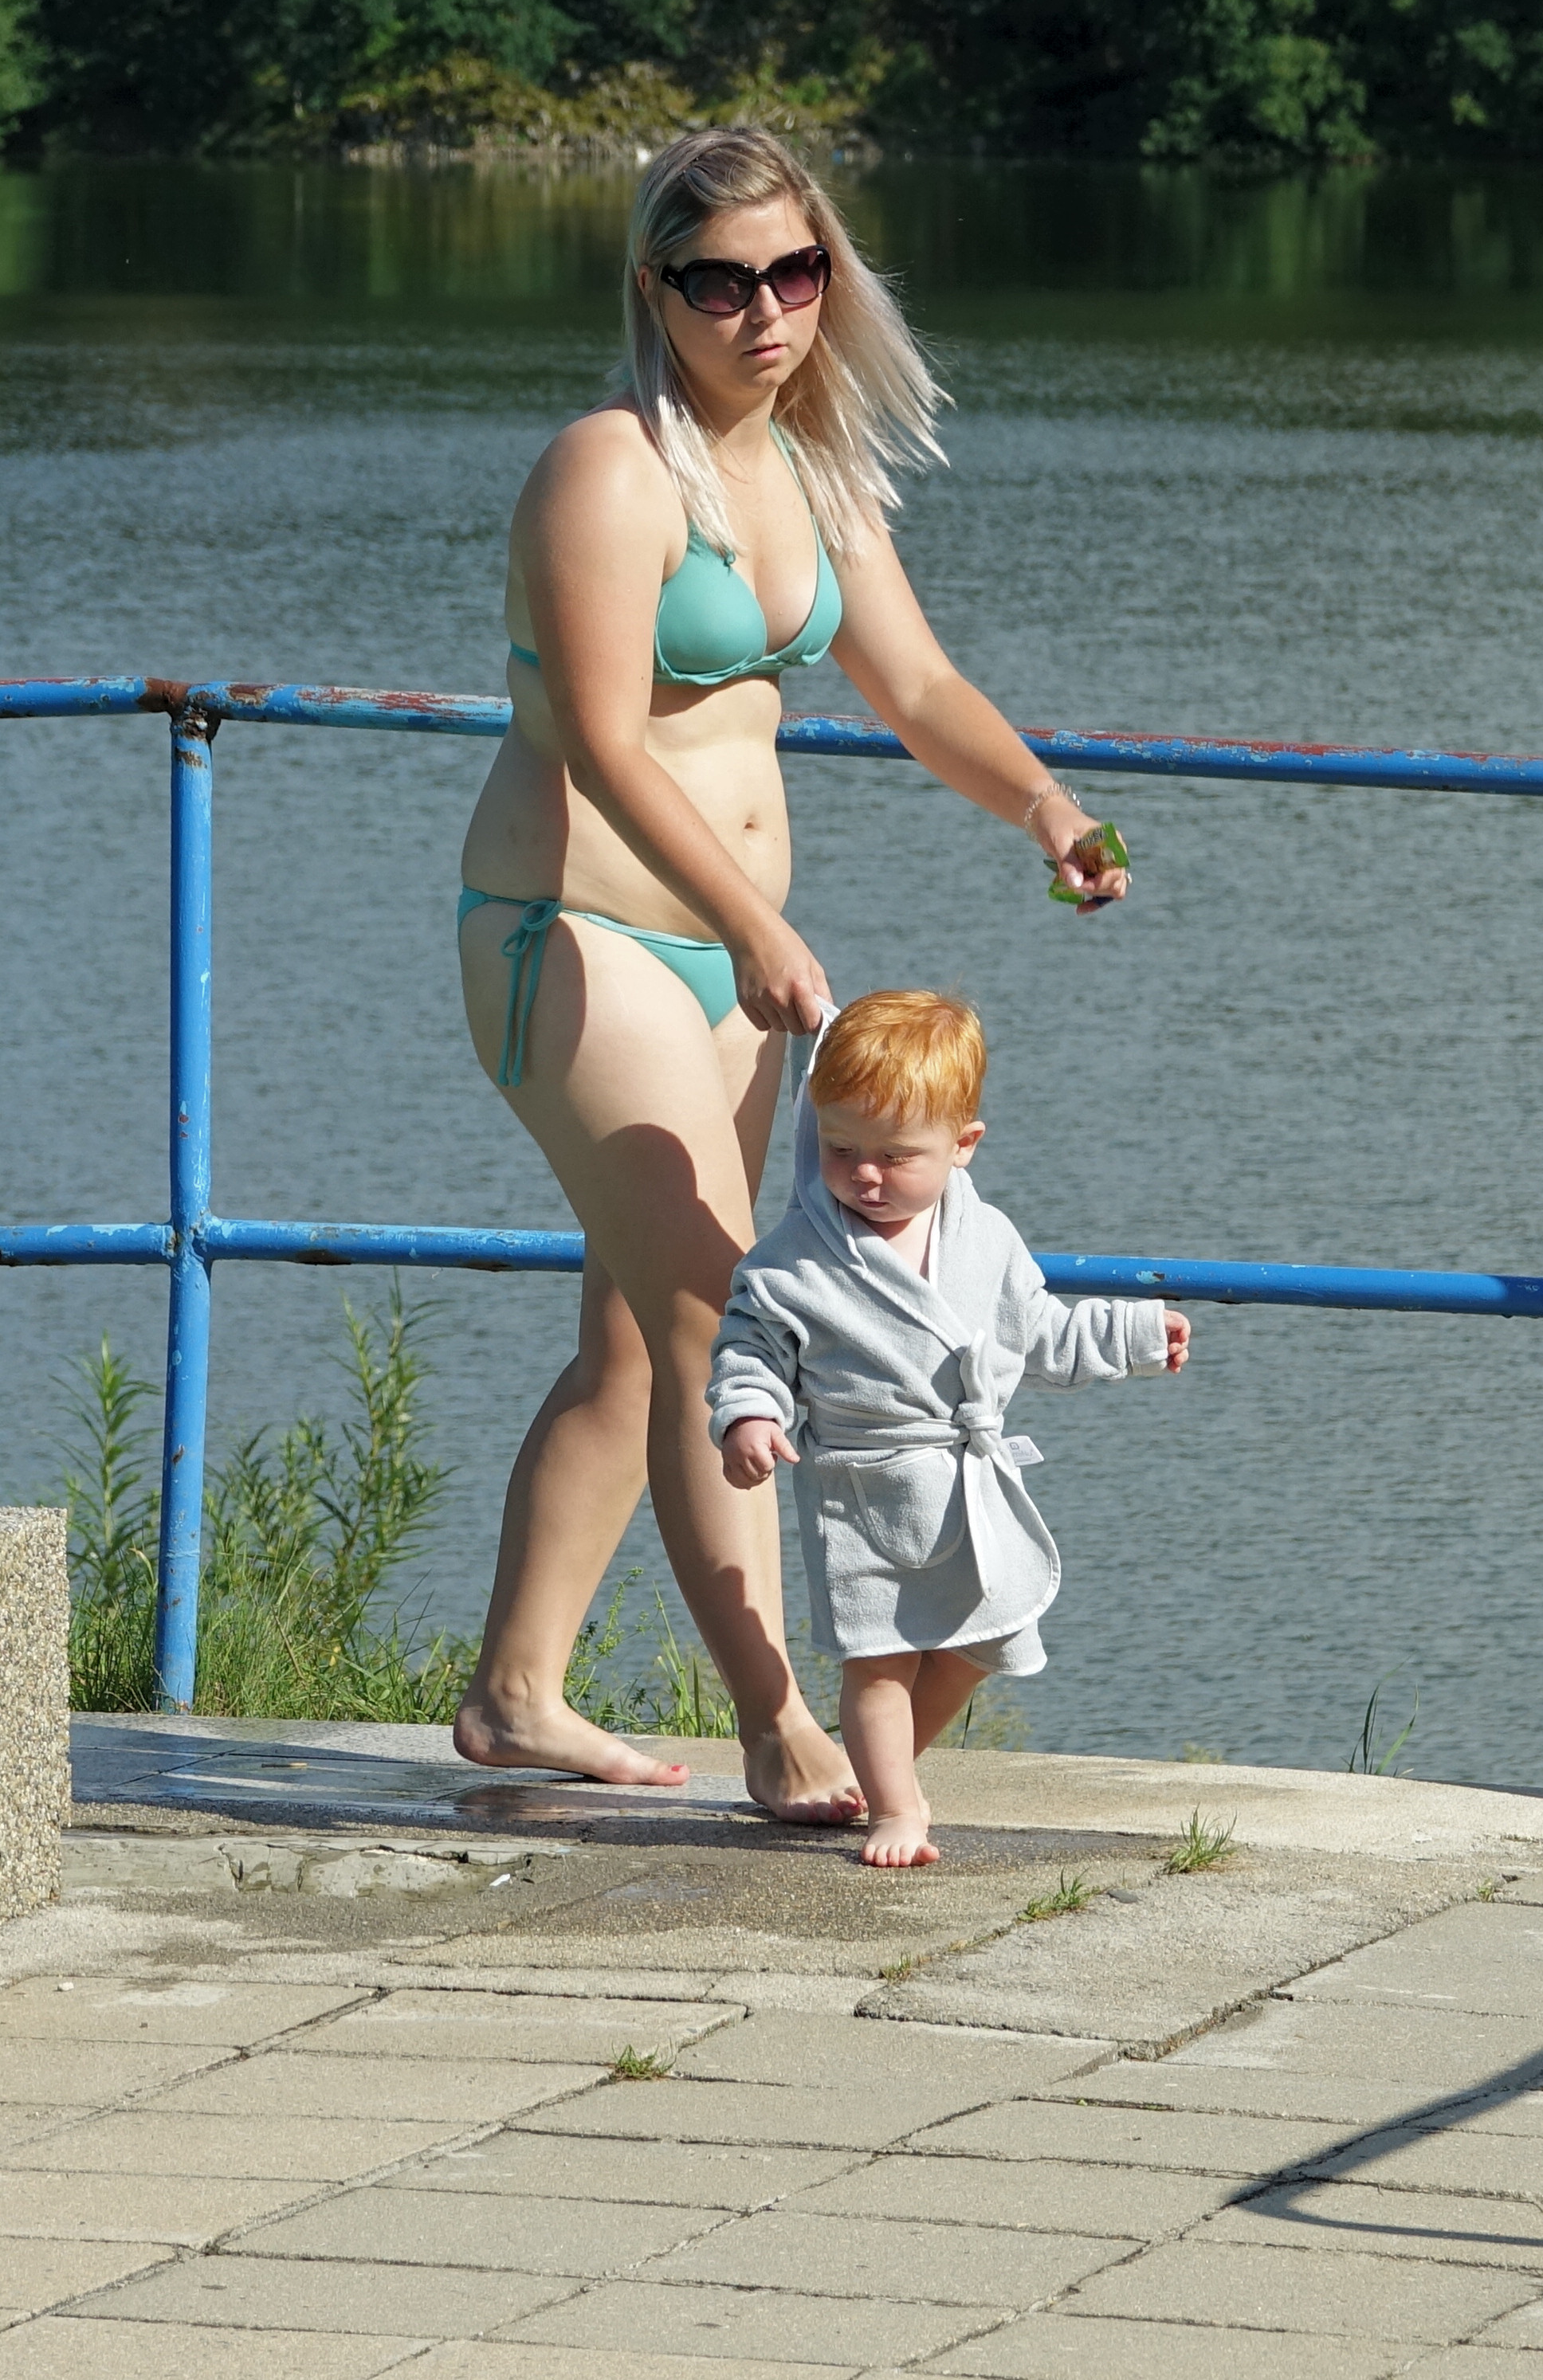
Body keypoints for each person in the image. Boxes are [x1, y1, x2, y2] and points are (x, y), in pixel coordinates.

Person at [453, 125, 1132, 1823]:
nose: (765, 312)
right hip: (578, 933)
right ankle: (779, 1723)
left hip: (728, 955)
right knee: (725, 1319)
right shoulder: (609, 471)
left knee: (639, 1336)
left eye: (795, 273)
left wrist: (1044, 807)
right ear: (654, 289)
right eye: (721, 282)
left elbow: (917, 686)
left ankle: (515, 1693)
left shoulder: (816, 470)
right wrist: (751, 924)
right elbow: (605, 742)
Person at [710, 992, 1191, 1866]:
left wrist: (1131, 1335)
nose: (864, 1175)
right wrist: (749, 1411)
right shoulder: (792, 1260)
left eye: (895, 1156)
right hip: (862, 1488)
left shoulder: (986, 1238)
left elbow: (1037, 1336)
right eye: (841, 1149)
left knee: (985, 1643)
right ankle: (897, 1808)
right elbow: (751, 1345)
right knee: (877, 1660)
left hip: (968, 1482)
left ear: (962, 1144)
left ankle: (881, 1771)